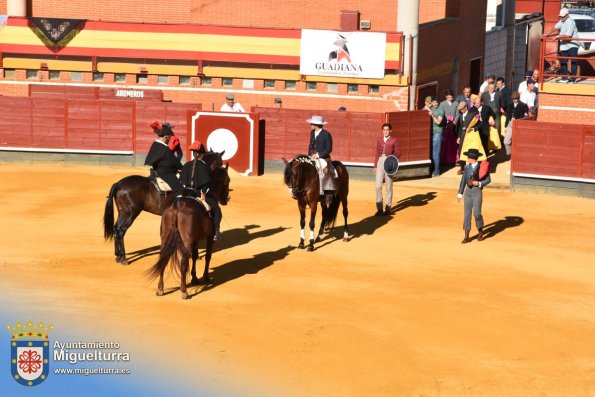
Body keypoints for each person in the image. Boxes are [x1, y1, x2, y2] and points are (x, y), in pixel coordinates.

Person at [180, 141, 222, 241]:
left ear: (193, 154)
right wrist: (203, 193)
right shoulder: (205, 167)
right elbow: (207, 184)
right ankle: (216, 232)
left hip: (186, 194)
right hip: (199, 194)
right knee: (217, 210)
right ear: (201, 155)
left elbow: (181, 182)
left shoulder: (186, 165)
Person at [457, 148, 491, 244]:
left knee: (477, 213)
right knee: (467, 214)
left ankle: (480, 231)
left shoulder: (482, 167)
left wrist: (479, 183)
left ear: (473, 158)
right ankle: (467, 236)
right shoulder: (467, 168)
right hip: (468, 192)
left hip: (477, 192)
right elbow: (463, 181)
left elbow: (488, 180)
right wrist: (460, 193)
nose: (467, 159)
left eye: (469, 157)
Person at [144, 123, 183, 194]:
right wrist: (181, 168)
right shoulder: (165, 149)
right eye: (169, 138)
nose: (169, 140)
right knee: (180, 189)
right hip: (165, 172)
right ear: (166, 137)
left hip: (155, 170)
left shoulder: (155, 144)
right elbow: (174, 158)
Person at [546, 8, 581, 83]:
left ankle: (572, 79)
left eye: (563, 16)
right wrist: (547, 34)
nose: (561, 18)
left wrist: (557, 37)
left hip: (573, 44)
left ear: (567, 15)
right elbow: (554, 27)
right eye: (560, 16)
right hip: (564, 44)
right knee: (563, 61)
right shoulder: (561, 21)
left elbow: (568, 35)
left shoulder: (571, 22)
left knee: (573, 61)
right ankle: (564, 78)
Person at [373, 123, 401, 216]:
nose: (385, 131)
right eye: (384, 130)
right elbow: (377, 153)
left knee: (388, 186)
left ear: (390, 131)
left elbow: (398, 153)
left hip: (389, 163)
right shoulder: (379, 139)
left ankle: (388, 208)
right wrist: (375, 165)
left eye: (387, 130)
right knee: (378, 186)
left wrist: (392, 160)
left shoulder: (394, 140)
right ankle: (379, 208)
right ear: (382, 131)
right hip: (380, 161)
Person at [307, 115, 335, 203]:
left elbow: (329, 149)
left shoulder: (326, 134)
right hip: (312, 157)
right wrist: (309, 155)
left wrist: (318, 155)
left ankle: (328, 194)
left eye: (312, 123)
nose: (311, 124)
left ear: (316, 124)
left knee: (327, 171)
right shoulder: (312, 132)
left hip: (324, 158)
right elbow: (310, 145)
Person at [456, 100, 479, 175]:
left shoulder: (473, 113)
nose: (461, 111)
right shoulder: (461, 115)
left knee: (471, 152)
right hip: (463, 134)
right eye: (460, 109)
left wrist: (472, 128)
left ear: (466, 107)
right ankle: (462, 168)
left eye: (462, 109)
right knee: (460, 151)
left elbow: (478, 123)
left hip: (471, 134)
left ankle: (473, 168)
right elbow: (460, 127)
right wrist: (459, 137)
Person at [504, 91, 529, 157]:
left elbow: (526, 116)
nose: (514, 100)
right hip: (510, 123)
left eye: (515, 99)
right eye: (513, 99)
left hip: (518, 124)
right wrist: (505, 126)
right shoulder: (509, 105)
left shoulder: (523, 105)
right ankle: (510, 154)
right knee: (506, 141)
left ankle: (518, 155)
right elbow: (507, 116)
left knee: (518, 141)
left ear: (518, 98)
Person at [439, 89, 459, 165]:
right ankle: (444, 160)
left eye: (451, 97)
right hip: (445, 126)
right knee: (445, 144)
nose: (450, 99)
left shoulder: (456, 103)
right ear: (446, 97)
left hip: (453, 126)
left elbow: (457, 115)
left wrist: (454, 122)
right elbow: (441, 114)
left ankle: (454, 159)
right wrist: (446, 122)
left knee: (453, 143)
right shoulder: (442, 104)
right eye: (449, 97)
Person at [428, 97, 444, 177]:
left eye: (436, 102)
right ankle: (432, 169)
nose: (435, 104)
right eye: (434, 103)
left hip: (437, 133)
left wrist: (432, 116)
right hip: (429, 133)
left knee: (435, 153)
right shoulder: (429, 109)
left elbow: (438, 122)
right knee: (430, 153)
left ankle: (437, 171)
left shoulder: (440, 110)